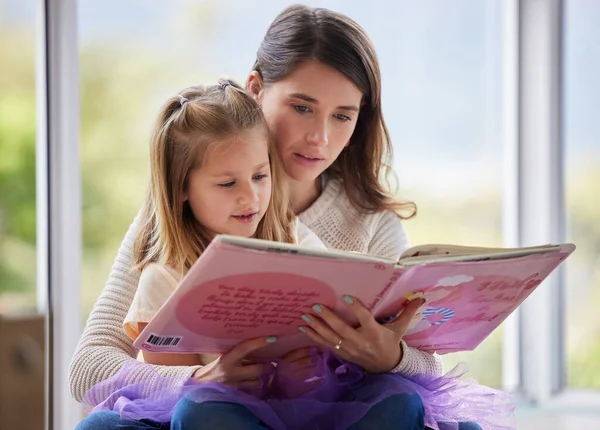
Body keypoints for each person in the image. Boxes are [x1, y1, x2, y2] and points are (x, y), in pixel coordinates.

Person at [71, 5, 512, 429]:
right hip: (217, 409)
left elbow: (425, 366)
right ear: (256, 89)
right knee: (105, 426)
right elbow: (88, 366)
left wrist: (389, 356)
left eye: (342, 116)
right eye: (302, 107)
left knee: (425, 411)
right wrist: (196, 380)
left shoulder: (370, 224)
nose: (320, 137)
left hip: (333, 408)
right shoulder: (180, 212)